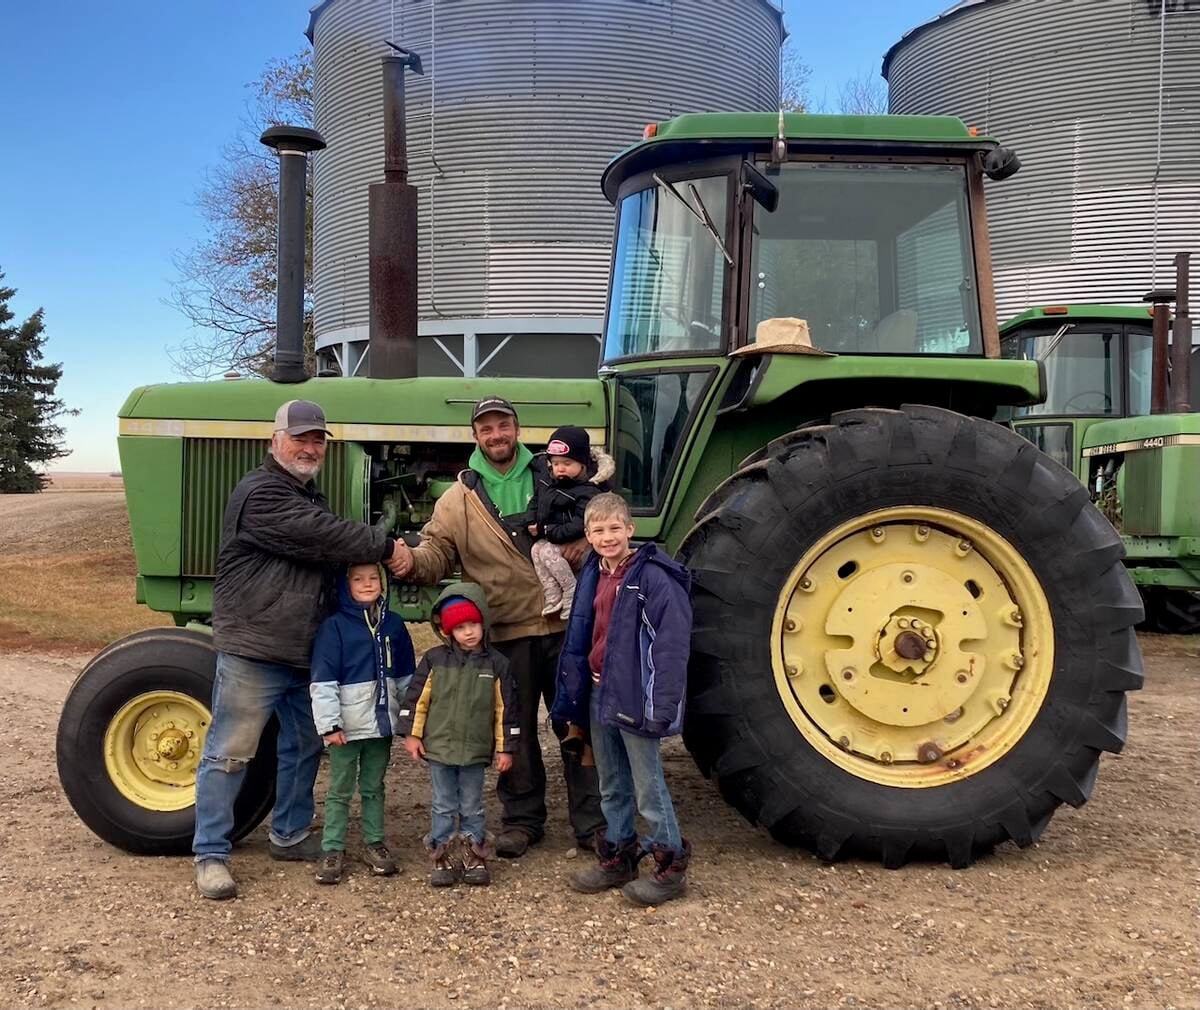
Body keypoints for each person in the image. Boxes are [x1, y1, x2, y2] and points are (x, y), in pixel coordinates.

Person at [193, 399, 410, 901]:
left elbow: (328, 561)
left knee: (304, 744)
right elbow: (320, 536)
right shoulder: (262, 493)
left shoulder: (309, 494)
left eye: (318, 440)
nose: (310, 448)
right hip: (257, 646)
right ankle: (210, 854)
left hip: (304, 650)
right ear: (275, 442)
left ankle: (288, 835)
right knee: (230, 751)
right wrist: (388, 545)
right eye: (300, 438)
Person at [389, 396, 604, 858]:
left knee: (578, 724)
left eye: (503, 425)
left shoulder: (554, 472)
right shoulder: (456, 500)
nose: (496, 435)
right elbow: (437, 554)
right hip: (507, 629)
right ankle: (523, 821)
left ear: (517, 428)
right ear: (475, 436)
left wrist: (584, 542)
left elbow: (601, 513)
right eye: (486, 428)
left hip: (567, 625)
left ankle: (593, 822)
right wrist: (407, 561)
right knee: (517, 728)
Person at [551, 492, 695, 906]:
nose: (607, 536)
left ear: (630, 530)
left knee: (647, 783)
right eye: (598, 529)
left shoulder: (654, 577)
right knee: (611, 780)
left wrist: (661, 704)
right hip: (600, 689)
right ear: (588, 534)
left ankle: (670, 864)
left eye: (615, 528)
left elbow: (670, 646)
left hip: (634, 692)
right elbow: (583, 632)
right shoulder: (593, 572)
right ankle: (619, 855)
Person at [398, 584, 518, 886]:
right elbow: (417, 699)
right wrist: (411, 734)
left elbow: (506, 710)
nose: (468, 632)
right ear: (448, 631)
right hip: (439, 749)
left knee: (473, 804)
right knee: (442, 803)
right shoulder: (434, 660)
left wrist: (506, 748)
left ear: (483, 624)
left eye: (473, 625)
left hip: (475, 750)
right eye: (460, 627)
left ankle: (473, 855)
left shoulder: (497, 664)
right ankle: (441, 856)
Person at [309, 562, 416, 885]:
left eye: (373, 578)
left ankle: (374, 842)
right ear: (347, 586)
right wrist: (329, 724)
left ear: (383, 583)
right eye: (358, 579)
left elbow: (408, 677)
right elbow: (323, 680)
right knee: (339, 789)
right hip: (346, 726)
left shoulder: (394, 626)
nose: (367, 584)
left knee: (374, 786)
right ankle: (332, 847)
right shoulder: (335, 628)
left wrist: (408, 720)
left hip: (380, 724)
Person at [525, 425, 613, 618]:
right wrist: (530, 519)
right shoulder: (549, 483)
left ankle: (571, 591)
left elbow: (580, 523)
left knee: (547, 550)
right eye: (555, 464)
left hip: (577, 541)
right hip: (556, 535)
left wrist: (547, 531)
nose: (560, 468)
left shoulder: (589, 490)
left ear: (582, 464)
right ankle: (553, 592)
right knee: (536, 550)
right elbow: (536, 502)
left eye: (567, 463)